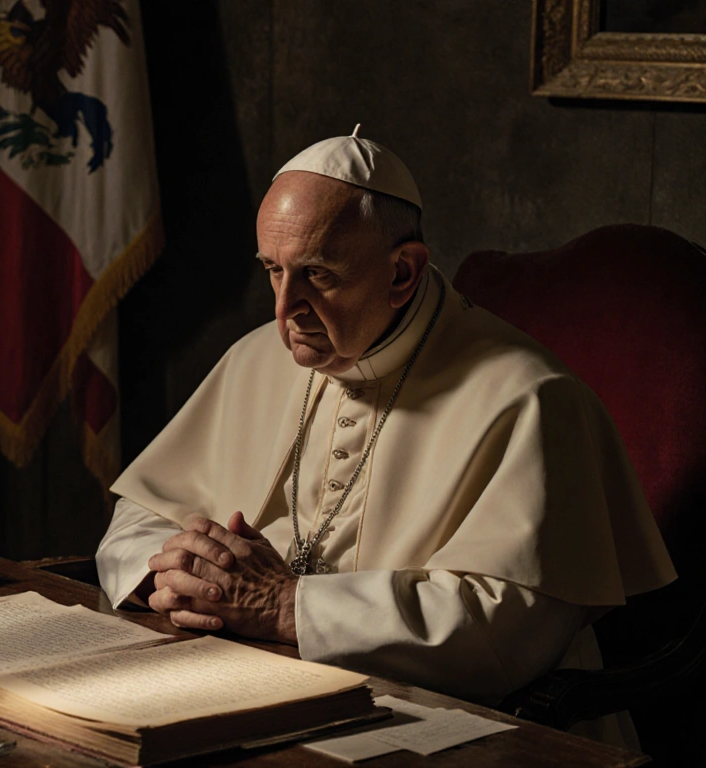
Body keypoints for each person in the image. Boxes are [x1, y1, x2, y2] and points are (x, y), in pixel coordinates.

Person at [95, 127, 675, 748]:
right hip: (250, 689)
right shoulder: (256, 358)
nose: (284, 309)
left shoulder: (532, 398)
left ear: (402, 273)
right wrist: (179, 571)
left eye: (317, 275)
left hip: (465, 729)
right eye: (273, 271)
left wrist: (290, 608)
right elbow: (139, 515)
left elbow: (511, 631)